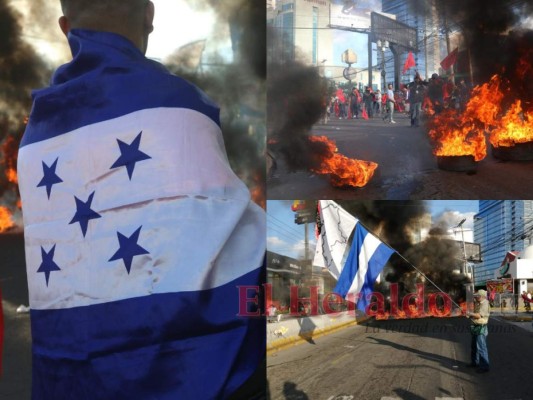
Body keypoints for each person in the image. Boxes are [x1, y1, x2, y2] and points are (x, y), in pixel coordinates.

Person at [17, 1, 265, 398]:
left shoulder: (34, 135)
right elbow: (230, 240)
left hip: (71, 375)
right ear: (149, 14)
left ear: (66, 26)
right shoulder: (178, 103)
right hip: (186, 372)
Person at [466, 289, 490, 373]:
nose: (476, 297)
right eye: (475, 296)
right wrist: (469, 314)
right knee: (474, 346)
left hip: (481, 327)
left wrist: (469, 313)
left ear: (482, 296)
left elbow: (479, 315)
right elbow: (473, 312)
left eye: (477, 296)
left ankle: (484, 366)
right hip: (475, 326)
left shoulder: (485, 304)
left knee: (481, 347)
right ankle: (474, 362)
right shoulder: (477, 302)